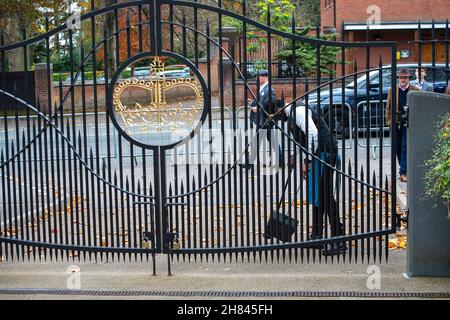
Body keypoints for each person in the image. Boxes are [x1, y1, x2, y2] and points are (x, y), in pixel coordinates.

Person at [283, 102, 347, 256]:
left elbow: (313, 134)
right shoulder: (292, 113)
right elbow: (304, 138)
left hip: (325, 152)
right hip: (318, 153)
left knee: (325, 195)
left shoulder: (297, 112)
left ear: (278, 110)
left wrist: (307, 161)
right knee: (317, 194)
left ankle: (339, 239)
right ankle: (316, 236)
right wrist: (296, 156)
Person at [386, 68, 420, 183]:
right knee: (397, 148)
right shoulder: (392, 90)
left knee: (405, 147)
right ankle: (404, 169)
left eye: (405, 77)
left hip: (408, 124)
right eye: (401, 77)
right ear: (398, 79)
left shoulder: (415, 90)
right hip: (395, 122)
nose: (403, 80)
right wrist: (388, 121)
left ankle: (403, 172)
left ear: (409, 78)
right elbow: (388, 107)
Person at [242, 70, 282, 168]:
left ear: (264, 77)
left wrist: (259, 109)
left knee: (264, 142)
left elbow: (271, 104)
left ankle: (249, 164)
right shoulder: (263, 88)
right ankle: (280, 161)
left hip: (265, 121)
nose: (258, 78)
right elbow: (262, 102)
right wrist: (252, 103)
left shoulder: (269, 90)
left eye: (259, 76)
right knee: (269, 142)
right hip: (262, 121)